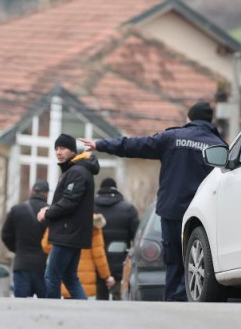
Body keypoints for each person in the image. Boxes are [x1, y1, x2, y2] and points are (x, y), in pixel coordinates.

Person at [79, 101, 225, 301]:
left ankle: (175, 300)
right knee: (200, 261)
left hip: (172, 211)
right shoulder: (218, 145)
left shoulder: (172, 138)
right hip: (202, 215)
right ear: (209, 121)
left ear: (189, 119)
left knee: (173, 260)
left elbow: (135, 145)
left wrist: (102, 145)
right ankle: (195, 299)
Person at [37, 134, 100, 300]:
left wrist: (48, 212)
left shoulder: (77, 171)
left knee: (52, 275)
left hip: (67, 233)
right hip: (72, 232)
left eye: (63, 148)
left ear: (72, 150)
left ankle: (53, 312)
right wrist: (50, 208)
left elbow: (70, 202)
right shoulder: (76, 170)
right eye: (56, 148)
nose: (58, 152)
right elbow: (69, 201)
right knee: (70, 277)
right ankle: (85, 312)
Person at [40, 213, 115, 299]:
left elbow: (46, 246)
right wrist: (106, 276)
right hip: (87, 279)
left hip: (64, 272)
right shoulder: (92, 223)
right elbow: (99, 255)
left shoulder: (60, 220)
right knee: (82, 307)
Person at [1, 180, 51, 298]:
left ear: (31, 191)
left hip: (21, 264)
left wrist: (17, 249)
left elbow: (5, 235)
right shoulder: (52, 212)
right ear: (47, 194)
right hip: (44, 266)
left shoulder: (16, 210)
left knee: (20, 307)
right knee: (48, 306)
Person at [93, 178, 139, 300]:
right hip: (120, 262)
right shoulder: (129, 209)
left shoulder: (90, 208)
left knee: (98, 300)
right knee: (119, 299)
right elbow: (136, 237)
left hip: (96, 263)